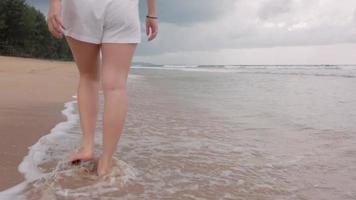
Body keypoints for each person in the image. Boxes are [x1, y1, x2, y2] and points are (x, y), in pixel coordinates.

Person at [47, 0, 158, 176]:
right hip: (122, 9)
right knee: (116, 87)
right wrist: (152, 13)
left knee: (88, 76)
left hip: (81, 8)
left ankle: (87, 147)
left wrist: (54, 5)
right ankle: (105, 163)